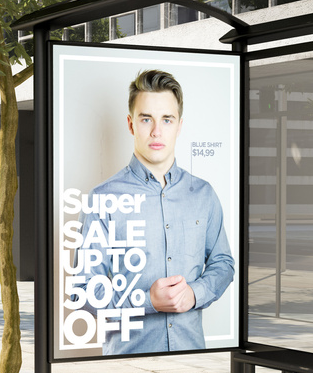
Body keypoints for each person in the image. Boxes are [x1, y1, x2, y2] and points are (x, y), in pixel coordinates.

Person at [78, 69, 234, 355]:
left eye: (167, 119)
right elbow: (84, 290)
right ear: (130, 124)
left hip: (193, 358)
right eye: (146, 118)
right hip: (128, 366)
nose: (156, 131)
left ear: (179, 125)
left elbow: (223, 263)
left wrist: (194, 294)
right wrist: (145, 300)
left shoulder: (203, 194)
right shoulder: (103, 198)